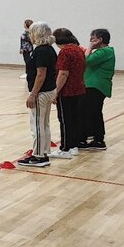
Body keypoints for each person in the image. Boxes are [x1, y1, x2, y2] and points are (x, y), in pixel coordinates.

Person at [18, 21, 57, 168]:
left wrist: (33, 94)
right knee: (44, 123)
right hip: (48, 90)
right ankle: (44, 151)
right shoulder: (49, 49)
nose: (30, 35)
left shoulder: (41, 51)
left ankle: (39, 156)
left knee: (37, 125)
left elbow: (41, 74)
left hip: (41, 92)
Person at [50, 28, 86, 159]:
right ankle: (73, 146)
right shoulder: (78, 49)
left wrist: (55, 91)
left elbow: (63, 73)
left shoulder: (65, 52)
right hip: (79, 89)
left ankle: (65, 148)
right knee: (75, 119)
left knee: (65, 120)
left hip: (67, 91)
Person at [81, 28, 115, 151]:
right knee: (93, 112)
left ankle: (99, 140)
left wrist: (89, 48)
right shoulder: (103, 52)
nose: (90, 41)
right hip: (94, 85)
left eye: (93, 38)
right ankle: (93, 136)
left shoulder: (104, 52)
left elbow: (85, 61)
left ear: (100, 39)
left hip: (96, 86)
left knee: (91, 112)